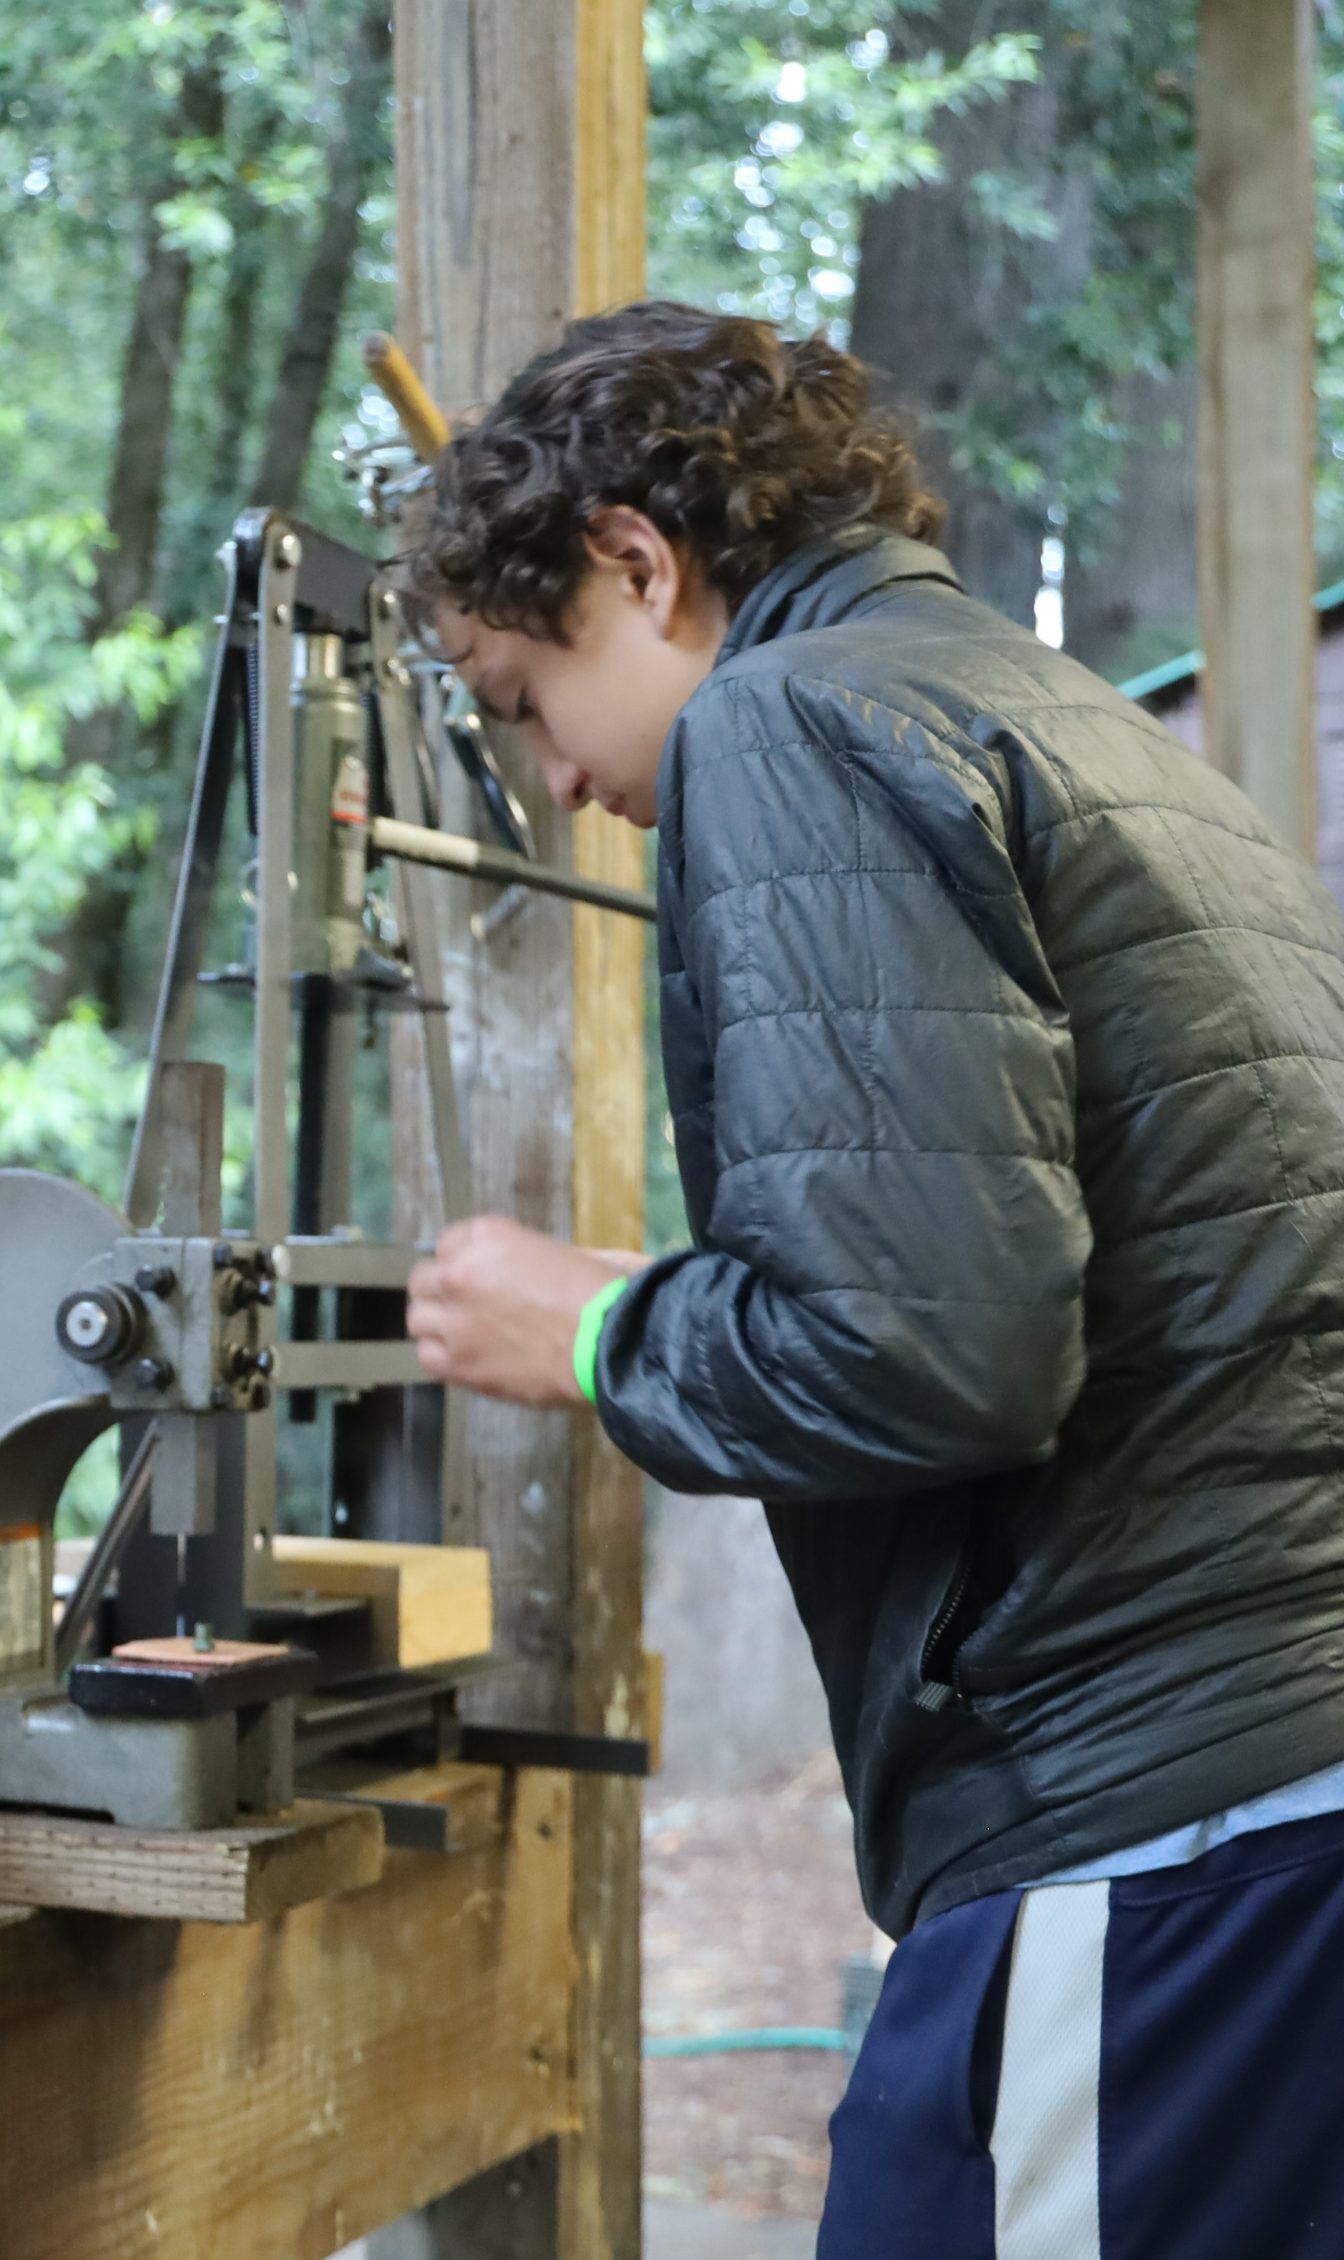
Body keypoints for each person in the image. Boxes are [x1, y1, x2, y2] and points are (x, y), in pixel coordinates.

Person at [403, 300, 1344, 2256]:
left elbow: (924, 1352)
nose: (552, 781)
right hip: (1275, 1786)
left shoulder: (788, 715)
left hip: (1138, 1814)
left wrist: (589, 1328)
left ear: (631, 559)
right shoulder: (1076, 720)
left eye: (517, 698)